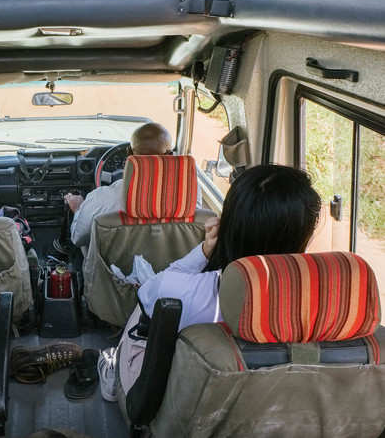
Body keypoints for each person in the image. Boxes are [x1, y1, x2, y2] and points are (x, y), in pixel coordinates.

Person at [104, 164, 321, 403]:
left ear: (228, 222)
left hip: (188, 406)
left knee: (146, 306)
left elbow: (149, 291)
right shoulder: (327, 301)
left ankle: (113, 372)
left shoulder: (179, 291)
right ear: (305, 237)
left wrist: (206, 251)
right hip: (278, 407)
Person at [64, 122, 174, 250]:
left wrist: (78, 209)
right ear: (170, 156)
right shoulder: (189, 197)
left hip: (116, 269)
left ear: (128, 154)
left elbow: (78, 238)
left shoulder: (103, 197)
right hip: (175, 268)